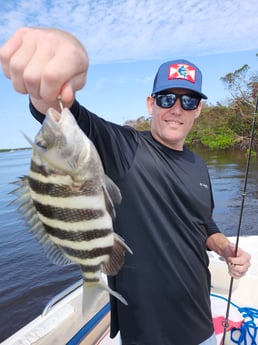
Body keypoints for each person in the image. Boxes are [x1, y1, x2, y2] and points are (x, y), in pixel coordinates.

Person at [0, 28, 251, 345]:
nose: (176, 108)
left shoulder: (198, 165)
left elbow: (203, 222)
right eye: (166, 98)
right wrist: (55, 72)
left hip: (201, 327)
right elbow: (56, 109)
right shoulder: (124, 147)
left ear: (198, 109)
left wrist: (223, 246)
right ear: (151, 104)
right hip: (144, 334)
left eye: (188, 100)